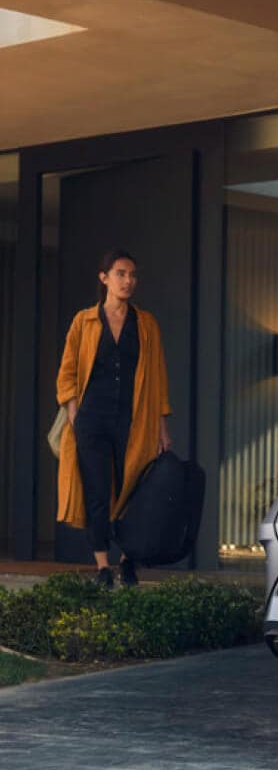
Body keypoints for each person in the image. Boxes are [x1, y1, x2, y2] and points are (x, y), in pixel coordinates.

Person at [56, 248, 172, 588]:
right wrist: (75, 415)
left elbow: (158, 377)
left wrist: (162, 427)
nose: (128, 280)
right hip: (92, 419)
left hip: (135, 420)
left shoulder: (147, 324)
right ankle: (103, 566)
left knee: (133, 489)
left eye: (133, 275)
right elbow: (67, 373)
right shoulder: (84, 321)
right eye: (121, 273)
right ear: (104, 278)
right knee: (96, 489)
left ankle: (128, 560)